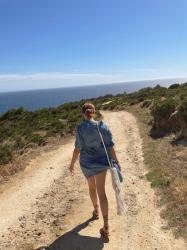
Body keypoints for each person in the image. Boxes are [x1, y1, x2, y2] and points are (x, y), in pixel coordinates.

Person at [69, 102, 120, 238]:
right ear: (94, 112)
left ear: (82, 113)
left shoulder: (80, 128)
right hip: (101, 162)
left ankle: (96, 210)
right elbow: (110, 146)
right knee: (101, 191)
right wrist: (117, 162)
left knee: (91, 188)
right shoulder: (101, 126)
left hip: (86, 164)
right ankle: (106, 225)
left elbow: (77, 149)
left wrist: (72, 164)